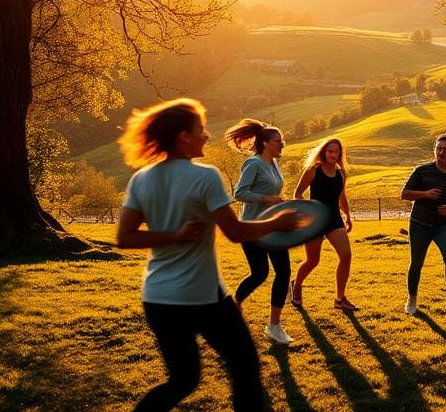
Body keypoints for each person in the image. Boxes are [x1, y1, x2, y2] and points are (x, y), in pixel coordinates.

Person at [116, 98, 306, 412]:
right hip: (200, 297)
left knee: (183, 381)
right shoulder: (205, 176)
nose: (206, 135)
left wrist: (171, 236)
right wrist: (280, 221)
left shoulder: (141, 178)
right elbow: (235, 232)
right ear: (183, 136)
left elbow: (125, 237)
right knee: (245, 367)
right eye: (200, 129)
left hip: (158, 298)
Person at [224, 118, 294, 344]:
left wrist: (279, 204)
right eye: (278, 141)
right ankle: (233, 308)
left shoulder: (274, 164)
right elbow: (240, 193)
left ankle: (274, 326)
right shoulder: (253, 164)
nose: (282, 144)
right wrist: (266, 198)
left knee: (283, 272)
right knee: (260, 273)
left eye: (282, 141)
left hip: (272, 226)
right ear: (264, 143)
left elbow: (271, 194)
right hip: (252, 227)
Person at [400, 135, 446, 323]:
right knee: (416, 263)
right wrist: (425, 194)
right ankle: (411, 299)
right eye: (438, 148)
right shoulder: (422, 171)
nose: (441, 152)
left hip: (442, 226)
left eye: (445, 149)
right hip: (419, 223)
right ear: (434, 150)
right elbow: (403, 194)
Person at [291, 137, 358, 311]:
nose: (333, 154)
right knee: (313, 261)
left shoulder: (340, 173)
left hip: (334, 219)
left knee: (346, 255)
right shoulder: (314, 170)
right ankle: (296, 285)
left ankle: (340, 298)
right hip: (315, 221)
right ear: (324, 152)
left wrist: (348, 215)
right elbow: (297, 194)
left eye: (336, 151)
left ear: (340, 154)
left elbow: (341, 197)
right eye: (330, 151)